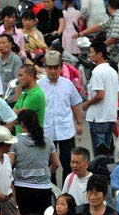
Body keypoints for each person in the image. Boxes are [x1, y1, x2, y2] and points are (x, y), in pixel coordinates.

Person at [39, 51, 82, 184]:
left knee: (69, 164)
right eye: (49, 68)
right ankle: (51, 192)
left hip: (66, 131)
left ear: (61, 67)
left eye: (55, 68)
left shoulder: (67, 84)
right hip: (46, 132)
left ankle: (67, 192)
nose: (52, 71)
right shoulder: (38, 85)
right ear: (45, 68)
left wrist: (79, 123)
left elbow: (75, 104)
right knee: (47, 164)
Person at [81, 42, 118, 158]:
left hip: (99, 118)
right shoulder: (112, 71)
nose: (89, 55)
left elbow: (100, 95)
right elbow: (117, 94)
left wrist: (87, 103)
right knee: (108, 154)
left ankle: (100, 175)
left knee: (100, 156)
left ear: (99, 54)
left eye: (91, 52)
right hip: (110, 116)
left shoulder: (97, 72)